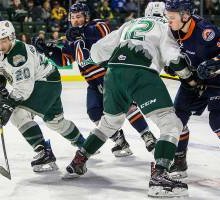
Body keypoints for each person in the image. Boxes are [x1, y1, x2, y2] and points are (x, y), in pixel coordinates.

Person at [64, 2, 189, 198]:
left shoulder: (130, 24)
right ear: (166, 15)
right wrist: (189, 75)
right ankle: (160, 176)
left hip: (113, 73)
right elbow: (174, 58)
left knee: (109, 122)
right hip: (142, 73)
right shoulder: (166, 27)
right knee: (171, 123)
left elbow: (97, 52)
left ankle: (78, 161)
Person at [33, 2, 157, 157]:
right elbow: (64, 60)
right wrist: (47, 50)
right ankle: (120, 141)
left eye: (79, 16)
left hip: (112, 76)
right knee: (94, 112)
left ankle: (147, 136)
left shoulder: (98, 25)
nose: (75, 20)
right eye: (73, 17)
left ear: (86, 17)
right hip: (93, 83)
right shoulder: (71, 38)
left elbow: (101, 33)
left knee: (128, 107)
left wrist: (81, 32)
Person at [0, 20, 86, 172]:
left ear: (11, 37)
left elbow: (23, 90)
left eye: (4, 40)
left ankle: (44, 152)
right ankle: (83, 145)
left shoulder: (18, 54)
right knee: (55, 121)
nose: (1, 45)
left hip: (45, 83)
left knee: (17, 113)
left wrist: (7, 106)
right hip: (50, 81)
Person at [164, 0, 220, 179]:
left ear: (185, 16)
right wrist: (172, 64)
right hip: (193, 79)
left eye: (172, 17)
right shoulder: (171, 31)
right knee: (176, 120)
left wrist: (213, 63)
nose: (168, 21)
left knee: (219, 120)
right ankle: (179, 160)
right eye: (167, 17)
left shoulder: (205, 32)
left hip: (219, 79)